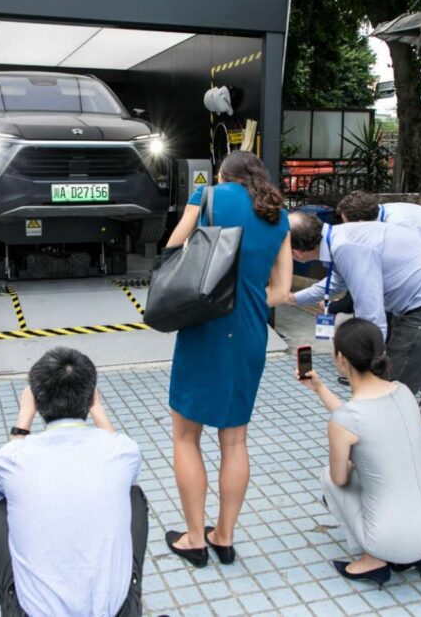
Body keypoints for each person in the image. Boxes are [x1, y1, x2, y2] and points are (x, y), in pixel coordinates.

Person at [164, 150, 292, 567]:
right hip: (251, 333)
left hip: (205, 329)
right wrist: (246, 301)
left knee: (186, 436)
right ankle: (225, 536)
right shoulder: (279, 215)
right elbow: (282, 289)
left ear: (224, 175)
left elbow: (174, 247)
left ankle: (194, 539)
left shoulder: (207, 195)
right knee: (234, 440)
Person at [0, 347, 146, 616]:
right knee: (133, 496)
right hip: (117, 611)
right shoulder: (123, 450)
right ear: (93, 396)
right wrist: (98, 409)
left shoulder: (12, 456)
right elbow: (119, 451)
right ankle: (131, 589)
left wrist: (24, 417)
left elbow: (4, 482)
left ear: (35, 400)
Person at [297, 318, 421, 587]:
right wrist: (320, 388)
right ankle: (407, 556)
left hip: (390, 538)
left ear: (341, 358)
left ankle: (373, 559)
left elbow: (340, 477)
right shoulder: (403, 392)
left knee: (330, 477)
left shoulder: (344, 422)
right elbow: (358, 418)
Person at [287, 213, 421, 398]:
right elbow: (335, 283)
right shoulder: (338, 237)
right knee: (387, 388)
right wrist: (293, 298)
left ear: (296, 252)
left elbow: (371, 314)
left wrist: (366, 368)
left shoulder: (346, 247)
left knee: (387, 391)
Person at [337, 191, 421, 425]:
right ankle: (382, 375)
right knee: (400, 326)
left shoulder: (400, 225)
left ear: (360, 223)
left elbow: (410, 262)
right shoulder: (377, 222)